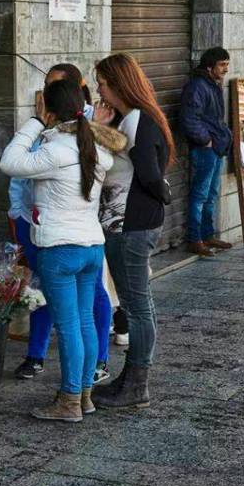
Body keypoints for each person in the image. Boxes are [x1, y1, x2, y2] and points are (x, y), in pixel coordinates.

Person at [0, 79, 126, 422]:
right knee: (83, 321)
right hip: (91, 246)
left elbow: (10, 162)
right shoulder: (95, 148)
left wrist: (36, 122)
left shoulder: (55, 150)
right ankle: (83, 394)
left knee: (69, 325)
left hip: (59, 248)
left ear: (51, 110)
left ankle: (69, 399)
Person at [92, 53, 174, 410]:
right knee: (139, 304)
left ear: (119, 84)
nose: (99, 89)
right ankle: (132, 376)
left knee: (137, 307)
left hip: (130, 225)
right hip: (129, 223)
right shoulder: (133, 118)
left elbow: (149, 173)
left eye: (103, 83)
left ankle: (137, 383)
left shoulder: (138, 119)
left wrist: (163, 194)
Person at [179, 47, 234, 257]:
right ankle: (195, 239)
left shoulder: (212, 84)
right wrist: (206, 141)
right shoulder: (198, 87)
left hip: (216, 147)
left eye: (227, 64)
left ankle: (208, 234)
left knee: (211, 194)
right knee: (200, 195)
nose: (225, 69)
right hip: (206, 149)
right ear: (210, 66)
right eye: (222, 65)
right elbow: (189, 119)